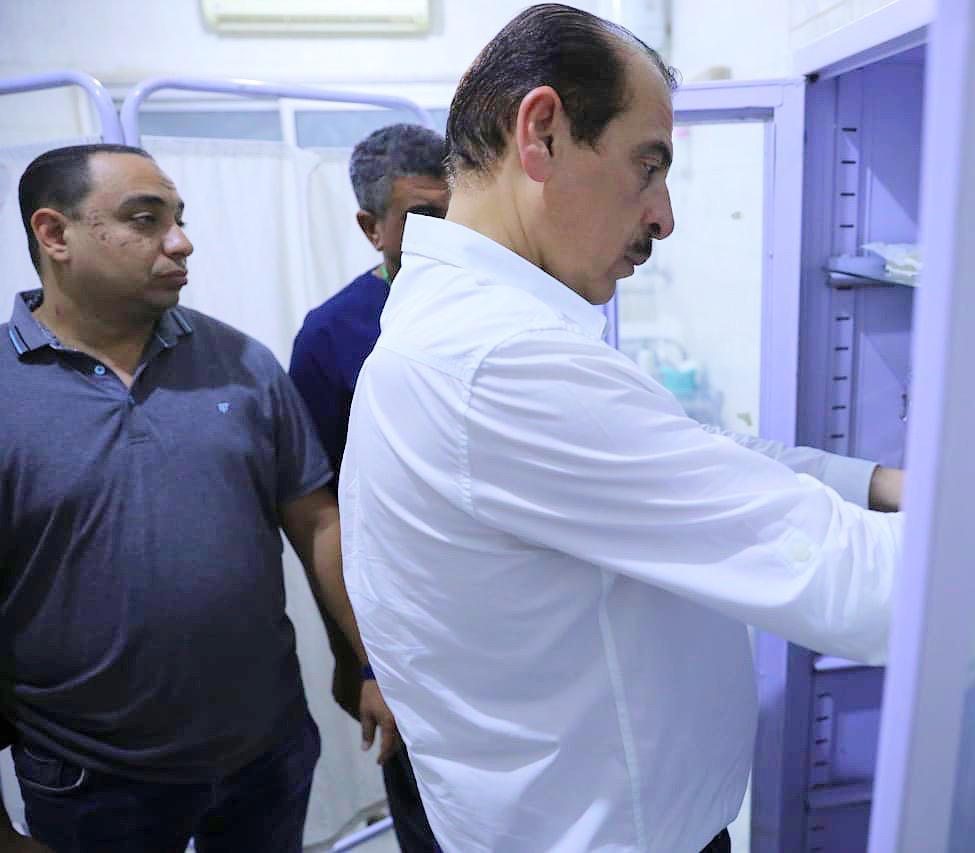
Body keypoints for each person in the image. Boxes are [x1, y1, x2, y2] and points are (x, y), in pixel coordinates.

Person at [340, 5, 905, 851]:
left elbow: (688, 453)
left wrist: (877, 483)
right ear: (542, 133)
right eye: (649, 165)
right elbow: (855, 582)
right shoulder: (499, 363)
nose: (664, 216)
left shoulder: (466, 334)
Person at [0, 144, 397, 852]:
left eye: (178, 218)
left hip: (264, 751)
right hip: (90, 776)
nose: (180, 242)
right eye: (145, 219)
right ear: (55, 233)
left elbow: (317, 521)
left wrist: (368, 663)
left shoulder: (242, 364)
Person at [288, 123, 449, 853]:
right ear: (370, 226)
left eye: (458, 210)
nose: (450, 233)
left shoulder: (507, 303)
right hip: (406, 637)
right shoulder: (334, 336)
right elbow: (321, 519)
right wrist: (366, 665)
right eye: (424, 217)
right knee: (433, 823)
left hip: (509, 627)